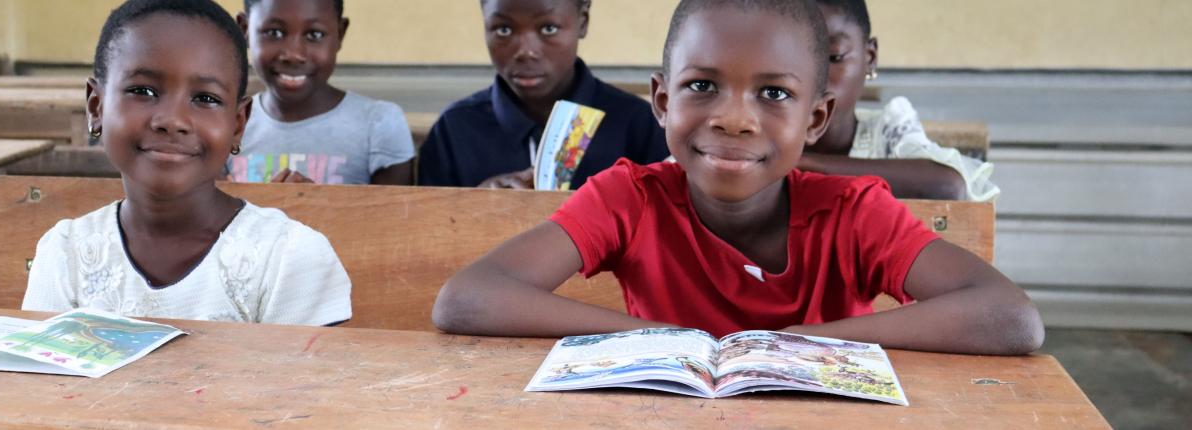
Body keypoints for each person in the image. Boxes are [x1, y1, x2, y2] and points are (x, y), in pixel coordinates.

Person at [432, 0, 1042, 355]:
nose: (733, 119)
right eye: (702, 86)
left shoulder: (853, 211)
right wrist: (670, 340)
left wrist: (798, 346)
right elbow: (468, 298)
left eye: (774, 92)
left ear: (816, 118)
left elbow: (1011, 318)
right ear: (662, 101)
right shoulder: (630, 198)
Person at [23, 0, 351, 326]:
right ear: (96, 108)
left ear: (237, 124)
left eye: (205, 98)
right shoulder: (67, 254)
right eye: (143, 90)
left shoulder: (290, 260)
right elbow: (39, 377)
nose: (172, 120)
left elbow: (310, 377)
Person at [417, 0, 669, 189]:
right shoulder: (455, 129)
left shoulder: (639, 124)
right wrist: (474, 208)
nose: (525, 51)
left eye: (548, 28)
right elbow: (426, 237)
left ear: (582, 22)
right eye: (503, 30)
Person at [798, 0, 999, 201]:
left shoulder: (887, 132)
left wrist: (801, 165)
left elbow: (949, 187)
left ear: (870, 58)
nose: (815, 74)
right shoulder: (769, 128)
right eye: (797, 57)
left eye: (834, 56)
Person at [227, 0, 416, 185]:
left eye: (314, 34)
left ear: (340, 34)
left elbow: (401, 214)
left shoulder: (378, 123)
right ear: (244, 29)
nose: (294, 54)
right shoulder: (227, 123)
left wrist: (315, 206)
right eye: (274, 33)